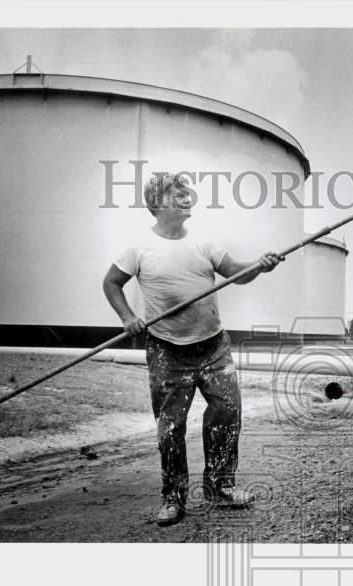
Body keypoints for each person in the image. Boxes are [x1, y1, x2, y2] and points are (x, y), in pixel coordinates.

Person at [103, 172, 283, 526]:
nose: (186, 197)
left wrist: (259, 267)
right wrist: (128, 317)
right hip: (166, 350)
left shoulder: (205, 243)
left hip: (213, 345)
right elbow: (111, 283)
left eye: (188, 192)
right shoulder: (138, 248)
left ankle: (219, 486)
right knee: (170, 427)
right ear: (156, 204)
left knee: (227, 412)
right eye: (177, 193)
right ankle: (173, 497)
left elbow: (237, 273)